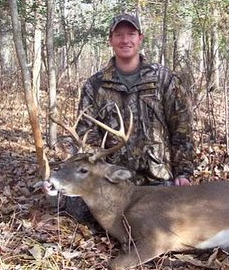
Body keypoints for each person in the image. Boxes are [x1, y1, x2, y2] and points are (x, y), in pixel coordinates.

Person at [64, 12, 194, 220]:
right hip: (112, 179)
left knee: (170, 217)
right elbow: (85, 134)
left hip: (156, 178)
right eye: (119, 35)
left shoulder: (163, 79)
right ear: (110, 40)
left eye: (131, 34)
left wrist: (184, 173)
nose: (125, 40)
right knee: (76, 212)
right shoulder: (95, 85)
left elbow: (182, 127)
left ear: (140, 38)